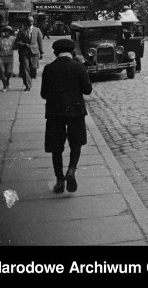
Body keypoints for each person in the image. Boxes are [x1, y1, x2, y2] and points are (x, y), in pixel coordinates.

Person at [41, 38, 93, 194]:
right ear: (72, 52)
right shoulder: (78, 67)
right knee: (75, 143)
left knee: (56, 147)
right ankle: (71, 170)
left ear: (55, 52)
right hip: (75, 112)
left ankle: (59, 180)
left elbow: (44, 94)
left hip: (54, 113)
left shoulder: (49, 69)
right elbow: (88, 90)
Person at [14, 15, 44, 91]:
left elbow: (40, 41)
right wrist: (23, 44)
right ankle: (28, 85)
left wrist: (42, 52)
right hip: (24, 52)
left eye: (31, 21)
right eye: (29, 21)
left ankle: (31, 77)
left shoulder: (37, 30)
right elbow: (17, 41)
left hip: (34, 52)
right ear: (26, 22)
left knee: (34, 68)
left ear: (33, 22)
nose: (30, 22)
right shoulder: (21, 31)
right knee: (25, 68)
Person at [0, 26, 16, 91]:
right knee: (2, 71)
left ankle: (7, 81)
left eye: (8, 31)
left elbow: (18, 43)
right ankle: (4, 85)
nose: (6, 32)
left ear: (10, 32)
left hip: (9, 57)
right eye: (5, 31)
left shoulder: (13, 39)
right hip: (0, 57)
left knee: (9, 71)